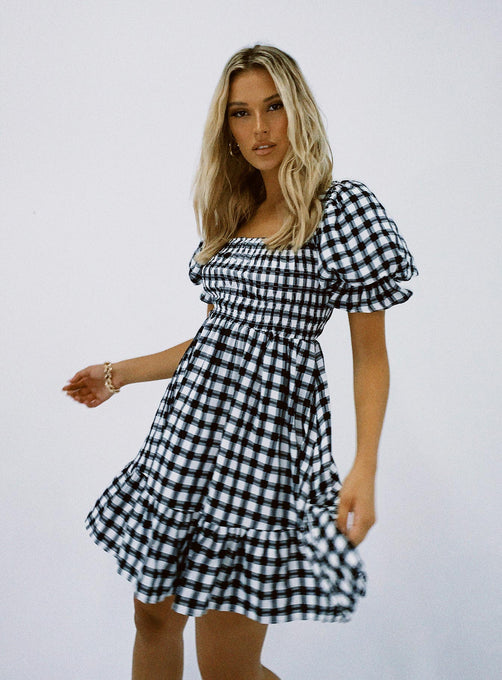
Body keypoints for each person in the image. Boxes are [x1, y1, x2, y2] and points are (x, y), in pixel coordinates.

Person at [63, 44, 418, 680]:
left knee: (226, 666)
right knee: (153, 619)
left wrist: (364, 467)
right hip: (186, 441)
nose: (260, 128)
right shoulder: (232, 214)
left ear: (299, 110)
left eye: (274, 107)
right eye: (241, 112)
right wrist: (116, 374)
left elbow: (370, 356)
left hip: (263, 454)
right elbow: (216, 340)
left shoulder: (341, 210)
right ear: (225, 126)